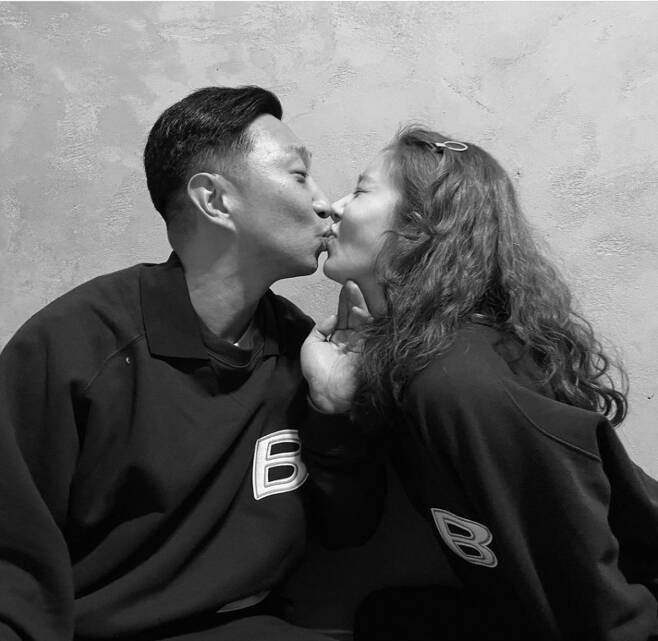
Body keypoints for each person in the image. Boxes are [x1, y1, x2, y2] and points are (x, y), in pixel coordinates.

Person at [0, 86, 383, 641]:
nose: (326, 204)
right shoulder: (76, 346)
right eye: (300, 176)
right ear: (214, 199)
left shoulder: (300, 346)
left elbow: (348, 530)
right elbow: (12, 573)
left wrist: (333, 411)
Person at [321, 126, 658, 640]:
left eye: (360, 191)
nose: (335, 207)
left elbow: (598, 607)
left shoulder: (456, 383)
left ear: (417, 227)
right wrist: (332, 398)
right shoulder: (423, 361)